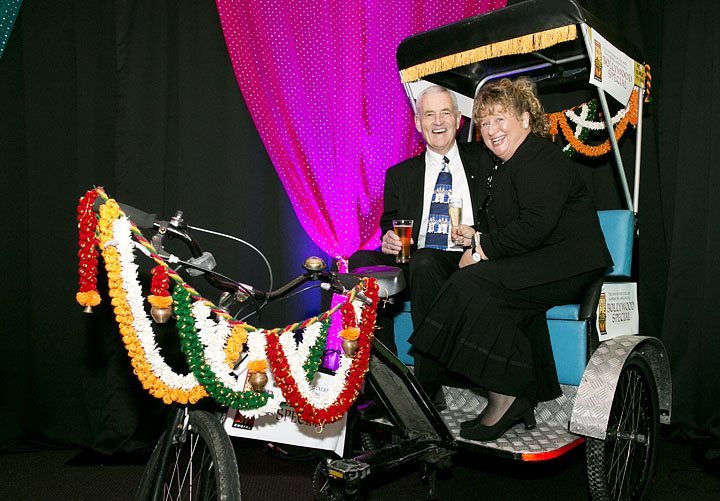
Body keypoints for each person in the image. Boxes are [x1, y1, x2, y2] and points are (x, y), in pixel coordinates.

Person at [409, 78, 612, 441]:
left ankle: (507, 395)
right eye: (485, 122)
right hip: (539, 260)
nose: (491, 130)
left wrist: (481, 250)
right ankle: (515, 390)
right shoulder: (507, 166)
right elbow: (507, 225)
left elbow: (534, 225)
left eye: (499, 119)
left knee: (472, 283)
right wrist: (475, 236)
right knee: (479, 284)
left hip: (569, 266)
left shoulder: (540, 156)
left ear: (525, 119)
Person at [349, 85, 488, 408]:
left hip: (465, 259)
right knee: (361, 261)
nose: (437, 122)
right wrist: (388, 239)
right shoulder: (401, 175)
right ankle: (385, 379)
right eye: (429, 114)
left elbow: (501, 211)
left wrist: (479, 239)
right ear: (417, 122)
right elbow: (391, 224)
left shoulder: (483, 160)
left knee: (424, 262)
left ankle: (428, 383)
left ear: (458, 120)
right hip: (414, 259)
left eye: (445, 113)